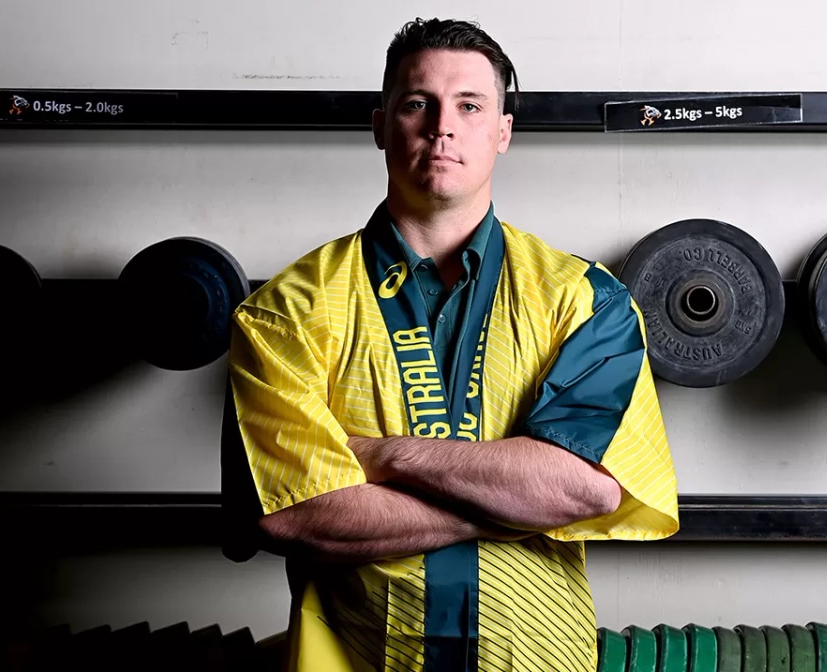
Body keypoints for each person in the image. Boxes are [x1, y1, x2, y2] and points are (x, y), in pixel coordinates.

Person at [222, 17, 679, 672]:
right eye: (418, 103)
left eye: (469, 105)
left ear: (502, 132)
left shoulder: (584, 301)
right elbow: (296, 514)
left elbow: (585, 491)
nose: (443, 125)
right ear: (380, 125)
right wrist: (519, 501)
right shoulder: (286, 313)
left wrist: (383, 456)